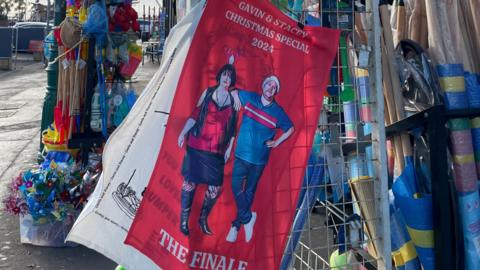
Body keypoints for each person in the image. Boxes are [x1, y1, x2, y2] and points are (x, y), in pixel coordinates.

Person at [226, 75, 294, 243]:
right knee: (236, 188)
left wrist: (277, 142)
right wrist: (234, 94)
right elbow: (232, 88)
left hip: (259, 160)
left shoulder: (278, 112)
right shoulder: (250, 98)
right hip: (241, 154)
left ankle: (236, 226)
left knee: (249, 192)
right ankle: (248, 218)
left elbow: (290, 128)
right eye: (268, 85)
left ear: (276, 92)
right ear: (263, 86)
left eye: (274, 87)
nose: (270, 88)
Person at [178, 64, 237, 236]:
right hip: (197, 146)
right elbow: (195, 114)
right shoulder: (208, 92)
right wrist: (183, 132)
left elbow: (233, 128)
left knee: (214, 188)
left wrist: (229, 149)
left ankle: (203, 219)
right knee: (189, 183)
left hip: (217, 150)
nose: (227, 79)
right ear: (219, 77)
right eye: (224, 75)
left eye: (230, 77)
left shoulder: (234, 100)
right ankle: (183, 220)